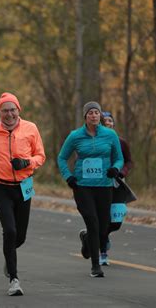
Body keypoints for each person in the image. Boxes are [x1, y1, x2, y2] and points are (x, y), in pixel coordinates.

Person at [0, 92, 45, 296]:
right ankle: (14, 279)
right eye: (5, 110)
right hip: (1, 186)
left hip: (24, 185)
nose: (9, 114)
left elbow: (41, 155)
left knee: (20, 236)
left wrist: (27, 162)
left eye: (12, 110)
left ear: (19, 110)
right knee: (10, 230)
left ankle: (9, 253)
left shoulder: (30, 128)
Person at [58, 102, 123, 278]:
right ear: (85, 116)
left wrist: (115, 169)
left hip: (104, 186)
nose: (94, 115)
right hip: (82, 187)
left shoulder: (110, 135)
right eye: (90, 113)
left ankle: (87, 240)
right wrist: (68, 177)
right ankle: (95, 265)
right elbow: (62, 158)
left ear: (100, 116)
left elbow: (119, 158)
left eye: (97, 112)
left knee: (103, 228)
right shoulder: (75, 136)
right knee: (92, 222)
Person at [93, 111, 134, 266]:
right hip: (100, 185)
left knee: (116, 221)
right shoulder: (95, 141)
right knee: (103, 219)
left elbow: (129, 161)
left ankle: (100, 235)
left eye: (110, 120)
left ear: (113, 123)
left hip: (117, 185)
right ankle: (103, 253)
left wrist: (122, 172)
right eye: (105, 121)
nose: (108, 123)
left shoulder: (121, 142)